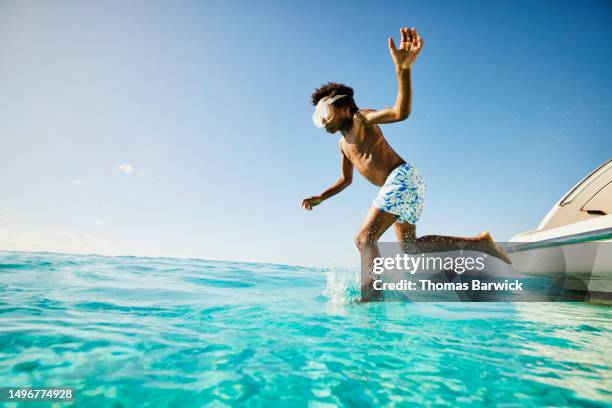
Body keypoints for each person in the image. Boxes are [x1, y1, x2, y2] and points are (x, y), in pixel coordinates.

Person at [301, 27, 511, 301]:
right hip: (403, 183)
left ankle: (370, 298)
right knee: (410, 247)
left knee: (364, 238)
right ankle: (480, 243)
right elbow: (346, 180)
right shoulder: (343, 144)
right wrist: (320, 197)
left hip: (402, 178)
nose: (323, 120)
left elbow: (400, 111)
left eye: (324, 112)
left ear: (342, 107)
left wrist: (403, 69)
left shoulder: (361, 120)